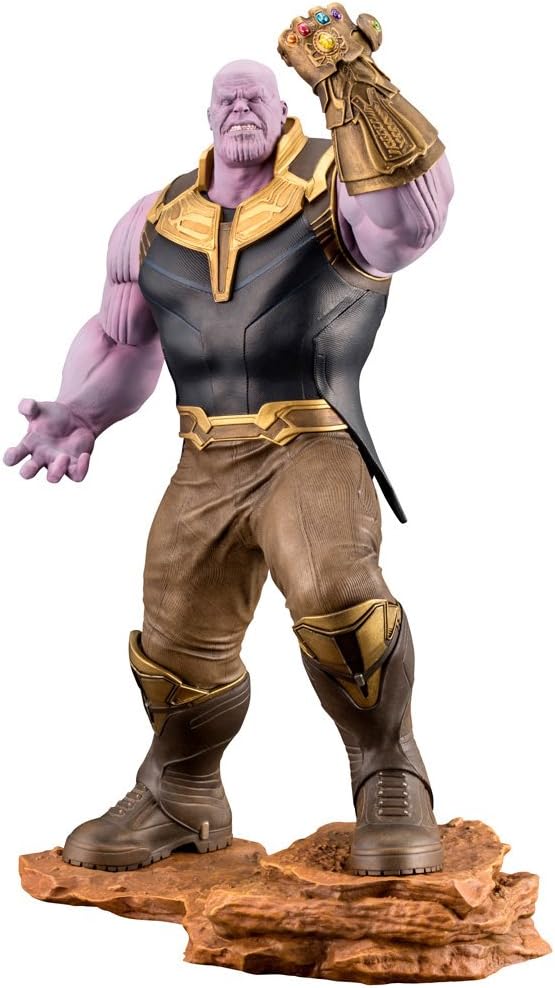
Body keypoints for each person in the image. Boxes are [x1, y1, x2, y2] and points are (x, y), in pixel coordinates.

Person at [3, 6, 453, 876]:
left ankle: (389, 771)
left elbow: (408, 222)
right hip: (203, 454)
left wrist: (349, 80)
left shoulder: (333, 183)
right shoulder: (153, 217)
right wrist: (81, 411)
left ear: (283, 110)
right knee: (174, 635)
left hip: (309, 442)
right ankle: (179, 792)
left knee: (337, 601)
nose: (240, 107)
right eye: (226, 99)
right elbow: (123, 339)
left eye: (256, 97)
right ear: (207, 116)